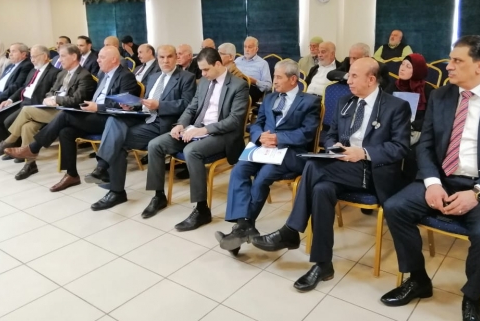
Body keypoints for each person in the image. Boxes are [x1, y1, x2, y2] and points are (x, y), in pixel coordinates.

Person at [380, 36, 480, 321]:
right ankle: (418, 279)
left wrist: (477, 193)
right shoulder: (441, 96)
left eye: (456, 61)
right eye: (450, 60)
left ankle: (472, 297)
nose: (448, 66)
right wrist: (432, 183)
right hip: (444, 178)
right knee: (395, 207)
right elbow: (425, 145)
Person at [252, 58, 411, 292]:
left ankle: (291, 231)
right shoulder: (345, 102)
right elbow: (329, 134)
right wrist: (333, 146)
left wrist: (363, 153)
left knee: (313, 166)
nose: (348, 80)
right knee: (320, 189)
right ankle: (323, 264)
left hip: (372, 171)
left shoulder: (396, 106)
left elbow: (400, 147)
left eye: (354, 76)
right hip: (339, 167)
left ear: (371, 79)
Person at [216, 59, 321, 255]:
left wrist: (278, 138)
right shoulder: (270, 98)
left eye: (279, 77)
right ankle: (244, 226)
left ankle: (240, 230)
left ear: (293, 79)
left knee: (263, 176)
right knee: (239, 170)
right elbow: (257, 123)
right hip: (264, 148)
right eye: (274, 76)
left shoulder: (310, 101)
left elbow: (307, 133)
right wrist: (260, 136)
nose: (275, 81)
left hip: (290, 153)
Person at [6, 46, 141, 192]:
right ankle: (71, 175)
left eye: (102, 57)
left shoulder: (125, 76)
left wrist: (99, 106)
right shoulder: (103, 74)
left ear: (114, 59)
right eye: (98, 57)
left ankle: (33, 148)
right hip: (95, 115)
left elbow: (126, 104)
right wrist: (89, 106)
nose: (98, 60)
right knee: (66, 131)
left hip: (110, 120)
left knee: (65, 115)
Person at [141, 47, 249, 231]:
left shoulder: (238, 85)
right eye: (201, 70)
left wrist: (204, 130)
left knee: (191, 151)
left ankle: (201, 209)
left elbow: (234, 121)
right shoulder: (204, 82)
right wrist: (181, 124)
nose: (203, 74)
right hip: (197, 129)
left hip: (222, 134)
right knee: (155, 145)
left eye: (206, 69)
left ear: (218, 64)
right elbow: (191, 107)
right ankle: (159, 196)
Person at [88, 45, 196, 211]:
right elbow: (144, 102)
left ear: (176, 58)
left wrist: (159, 105)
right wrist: (131, 106)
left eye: (169, 57)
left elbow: (187, 105)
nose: (165, 61)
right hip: (144, 118)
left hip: (165, 123)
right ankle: (111, 183)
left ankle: (109, 177)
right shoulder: (153, 77)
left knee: (118, 140)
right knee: (114, 121)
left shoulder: (186, 77)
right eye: (162, 57)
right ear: (157, 59)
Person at [0, 44, 96, 179]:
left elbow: (77, 100)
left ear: (74, 57)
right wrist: (48, 99)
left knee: (26, 110)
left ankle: (8, 142)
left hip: (68, 113)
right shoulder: (62, 73)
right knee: (27, 127)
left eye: (63, 56)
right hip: (52, 109)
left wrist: (56, 99)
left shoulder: (84, 76)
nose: (59, 59)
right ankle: (30, 164)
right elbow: (51, 91)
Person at [0, 45, 60, 155]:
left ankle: (10, 146)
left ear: (44, 56)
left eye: (34, 57)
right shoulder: (33, 70)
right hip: (22, 102)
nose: (32, 60)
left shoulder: (54, 72)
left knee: (9, 121)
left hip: (34, 105)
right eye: (31, 57)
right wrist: (10, 100)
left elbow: (50, 94)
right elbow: (23, 87)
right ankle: (12, 148)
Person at [384, 53, 436, 181]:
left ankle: (409, 182)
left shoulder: (428, 90)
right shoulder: (393, 86)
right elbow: (383, 109)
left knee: (413, 152)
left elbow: (431, 117)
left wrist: (414, 125)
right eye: (402, 64)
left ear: (417, 70)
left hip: (416, 130)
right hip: (393, 128)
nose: (402, 68)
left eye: (408, 66)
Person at [235, 36, 272, 104]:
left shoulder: (263, 63)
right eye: (245, 47)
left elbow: (268, 86)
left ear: (256, 49)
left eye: (250, 47)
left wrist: (255, 81)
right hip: (235, 87)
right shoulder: (237, 60)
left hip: (251, 89)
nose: (247, 49)